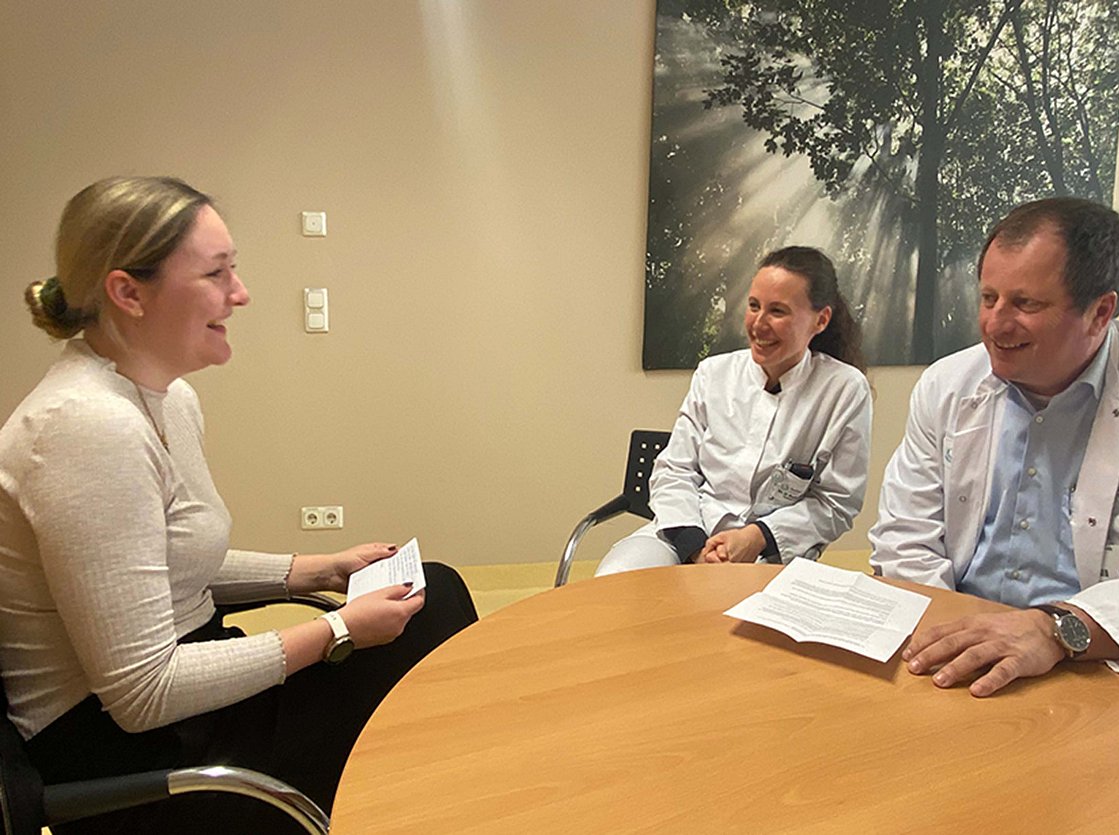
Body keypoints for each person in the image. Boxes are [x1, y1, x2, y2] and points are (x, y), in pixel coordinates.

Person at [0, 176, 478, 833]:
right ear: (127, 292)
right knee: (430, 658)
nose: (242, 293)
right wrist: (337, 628)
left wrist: (315, 570)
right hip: (134, 759)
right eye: (217, 273)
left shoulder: (163, 397)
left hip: (181, 710)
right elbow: (142, 692)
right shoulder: (86, 429)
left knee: (435, 593)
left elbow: (165, 566)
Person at [870, 197, 1119, 698]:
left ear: (1100, 312)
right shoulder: (947, 386)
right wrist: (965, 642)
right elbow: (905, 539)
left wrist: (1057, 630)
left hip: (1112, 662)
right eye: (988, 298)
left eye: (1025, 304)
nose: (995, 324)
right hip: (966, 658)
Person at [595, 246, 871, 575]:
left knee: (738, 621)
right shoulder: (714, 374)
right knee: (616, 585)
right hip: (684, 532)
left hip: (772, 552)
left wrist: (756, 537)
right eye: (754, 306)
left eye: (778, 311)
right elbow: (673, 470)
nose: (758, 324)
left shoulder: (844, 390)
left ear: (821, 319)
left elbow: (836, 503)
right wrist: (694, 546)